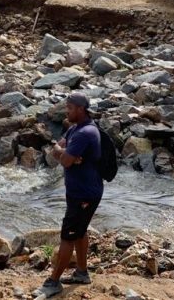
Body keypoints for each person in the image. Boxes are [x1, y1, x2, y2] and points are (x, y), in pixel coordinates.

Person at [34, 93, 103, 298]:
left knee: (68, 236)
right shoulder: (76, 129)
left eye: (70, 108)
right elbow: (59, 151)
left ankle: (53, 282)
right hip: (82, 191)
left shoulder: (84, 133)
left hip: (84, 194)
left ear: (81, 109)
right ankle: (82, 272)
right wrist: (63, 152)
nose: (67, 112)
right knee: (80, 231)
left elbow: (63, 160)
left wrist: (64, 154)